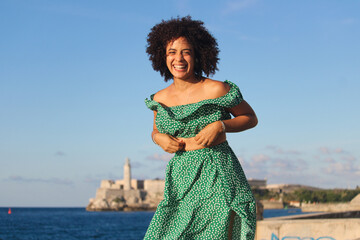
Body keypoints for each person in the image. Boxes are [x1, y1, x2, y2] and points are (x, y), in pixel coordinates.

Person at [144, 16, 258, 239]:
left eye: (186, 51)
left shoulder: (216, 89)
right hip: (180, 175)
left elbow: (250, 117)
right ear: (162, 56)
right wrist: (158, 139)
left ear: (197, 55)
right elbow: (156, 130)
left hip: (217, 170)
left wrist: (221, 125)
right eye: (172, 52)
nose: (179, 58)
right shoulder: (160, 98)